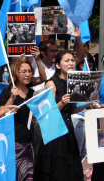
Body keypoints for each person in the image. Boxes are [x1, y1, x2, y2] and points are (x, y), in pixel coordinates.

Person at [34, 50, 95, 181]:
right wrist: (61, 102)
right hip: (55, 132)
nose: (71, 63)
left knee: (70, 168)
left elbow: (71, 110)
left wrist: (87, 103)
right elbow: (47, 113)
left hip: (68, 129)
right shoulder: (52, 83)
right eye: (66, 61)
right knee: (57, 168)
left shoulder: (73, 83)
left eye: (72, 60)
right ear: (57, 65)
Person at [0, 48, 46, 181]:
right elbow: (0, 115)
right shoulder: (7, 92)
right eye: (23, 71)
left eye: (29, 71)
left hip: (29, 142)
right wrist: (12, 98)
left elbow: (44, 78)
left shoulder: (31, 94)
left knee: (28, 177)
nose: (27, 74)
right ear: (15, 74)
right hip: (12, 142)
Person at [32, 26, 85, 92]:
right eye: (52, 51)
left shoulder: (60, 65)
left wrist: (78, 38)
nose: (56, 53)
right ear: (43, 53)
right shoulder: (35, 64)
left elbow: (80, 57)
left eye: (56, 51)